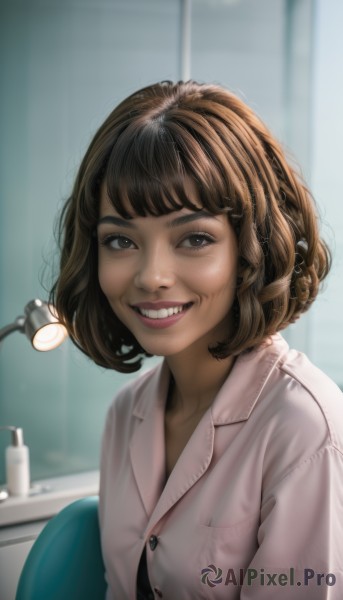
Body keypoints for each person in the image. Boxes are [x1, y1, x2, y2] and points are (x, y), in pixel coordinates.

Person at [50, 80, 343, 599]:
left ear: (251, 247)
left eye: (195, 238)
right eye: (120, 240)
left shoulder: (305, 430)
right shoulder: (127, 415)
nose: (151, 276)